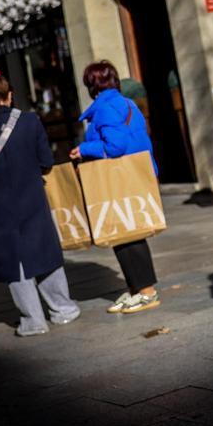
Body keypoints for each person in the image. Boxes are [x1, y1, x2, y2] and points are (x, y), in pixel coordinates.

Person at [0, 65, 80, 336]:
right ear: (9, 95)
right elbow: (46, 162)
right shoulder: (30, 121)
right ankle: (63, 310)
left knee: (14, 261)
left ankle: (33, 321)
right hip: (32, 197)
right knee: (44, 251)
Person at [69, 60, 162, 314]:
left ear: (92, 85)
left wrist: (84, 149)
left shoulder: (105, 108)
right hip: (135, 176)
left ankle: (146, 292)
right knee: (128, 233)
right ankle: (137, 289)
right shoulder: (127, 103)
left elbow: (115, 146)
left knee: (128, 236)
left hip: (121, 180)